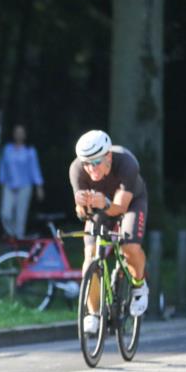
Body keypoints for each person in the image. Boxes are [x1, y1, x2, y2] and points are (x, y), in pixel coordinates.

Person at [70, 129, 149, 334]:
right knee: (89, 259)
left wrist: (103, 202)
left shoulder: (126, 164)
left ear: (109, 157)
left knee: (129, 246)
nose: (90, 168)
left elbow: (120, 207)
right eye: (86, 163)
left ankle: (139, 285)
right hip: (101, 207)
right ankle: (93, 313)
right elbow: (82, 214)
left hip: (131, 203)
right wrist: (81, 207)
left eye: (96, 162)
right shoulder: (77, 169)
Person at [0, 125, 45, 239]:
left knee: (20, 215)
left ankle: (18, 238)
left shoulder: (29, 151)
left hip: (25, 186)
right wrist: (0, 181)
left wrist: (39, 186)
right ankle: (11, 233)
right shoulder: (7, 149)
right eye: (16, 132)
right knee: (5, 213)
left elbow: (34, 169)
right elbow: (2, 166)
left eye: (21, 132)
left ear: (25, 135)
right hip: (9, 185)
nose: (19, 134)